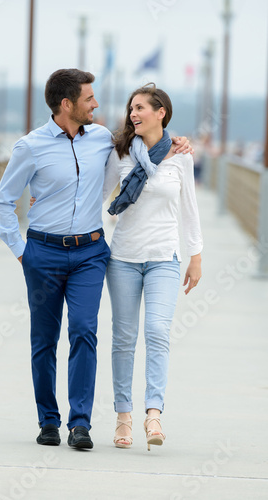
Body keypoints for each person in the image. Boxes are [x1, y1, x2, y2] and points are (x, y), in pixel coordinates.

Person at [0, 68, 192, 450]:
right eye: (89, 99)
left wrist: (177, 142)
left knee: (85, 330)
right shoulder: (30, 147)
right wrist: (21, 251)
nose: (97, 105)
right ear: (67, 104)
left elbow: (143, 144)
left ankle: (79, 423)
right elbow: (2, 201)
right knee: (44, 340)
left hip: (89, 252)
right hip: (43, 252)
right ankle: (48, 420)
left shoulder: (102, 138)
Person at [103, 83, 203, 451]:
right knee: (124, 338)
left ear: (161, 112)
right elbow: (96, 195)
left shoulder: (180, 155)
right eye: (131, 108)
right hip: (124, 258)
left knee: (158, 331)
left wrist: (196, 255)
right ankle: (124, 417)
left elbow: (190, 208)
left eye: (141, 107)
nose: (133, 113)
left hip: (164, 257)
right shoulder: (121, 153)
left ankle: (153, 413)